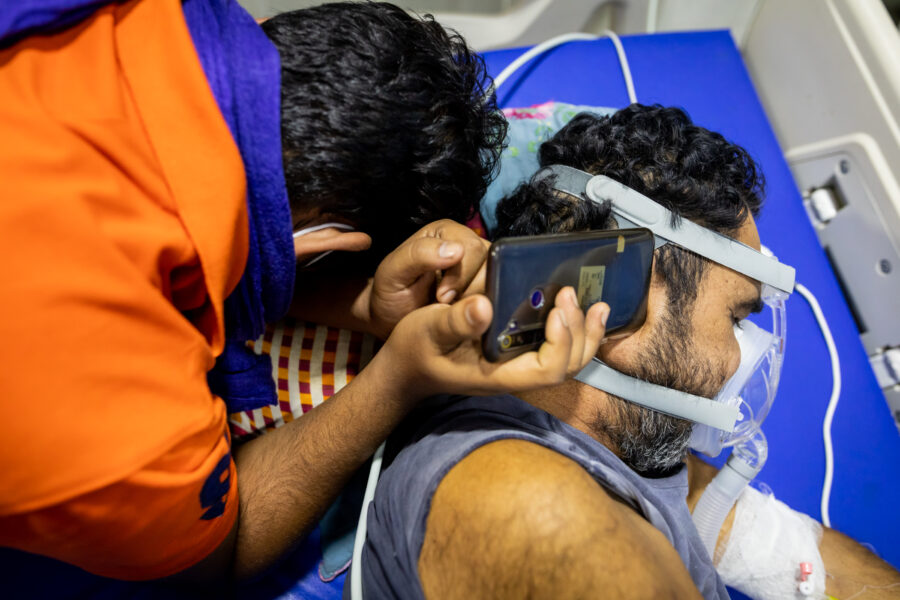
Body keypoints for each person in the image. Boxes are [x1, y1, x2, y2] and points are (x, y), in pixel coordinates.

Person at [0, 0, 607, 588]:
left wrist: (364, 305)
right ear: (324, 249)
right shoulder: (106, 406)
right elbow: (218, 552)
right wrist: (398, 378)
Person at [357, 105, 900, 599]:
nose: (744, 358)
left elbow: (784, 549)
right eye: (736, 317)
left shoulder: (629, 442)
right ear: (631, 290)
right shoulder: (533, 509)